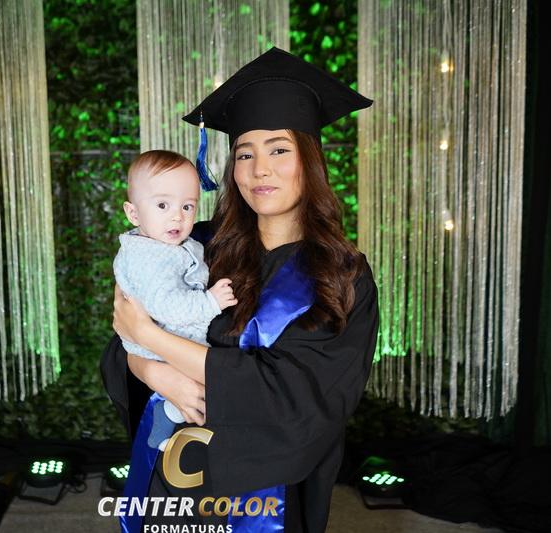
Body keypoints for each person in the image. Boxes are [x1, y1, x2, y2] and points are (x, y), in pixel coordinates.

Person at [101, 47, 378, 532]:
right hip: (174, 479)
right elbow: (122, 338)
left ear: (309, 160)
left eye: (279, 150)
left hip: (266, 495)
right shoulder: (193, 246)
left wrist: (154, 339)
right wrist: (152, 370)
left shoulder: (340, 274)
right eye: (245, 153)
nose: (259, 169)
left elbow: (301, 398)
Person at [113, 150, 237, 451]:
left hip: (158, 348)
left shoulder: (163, 242)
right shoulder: (152, 257)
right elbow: (166, 306)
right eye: (162, 205)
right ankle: (166, 423)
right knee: (216, 391)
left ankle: (166, 420)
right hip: (167, 343)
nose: (177, 216)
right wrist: (210, 302)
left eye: (187, 206)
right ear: (133, 214)